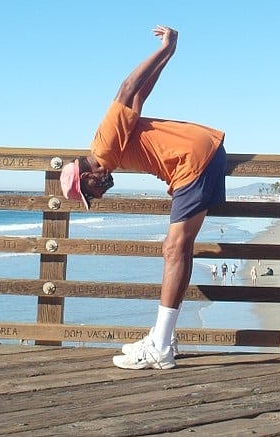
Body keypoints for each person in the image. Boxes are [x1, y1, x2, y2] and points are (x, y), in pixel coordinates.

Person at [59, 25, 226, 371]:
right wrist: (168, 56)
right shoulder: (114, 148)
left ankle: (161, 346)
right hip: (204, 154)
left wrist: (167, 50)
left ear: (86, 175)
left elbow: (127, 87)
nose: (99, 195)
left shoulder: (103, 145)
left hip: (192, 163)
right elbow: (139, 97)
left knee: (173, 249)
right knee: (179, 248)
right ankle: (163, 337)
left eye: (92, 193)